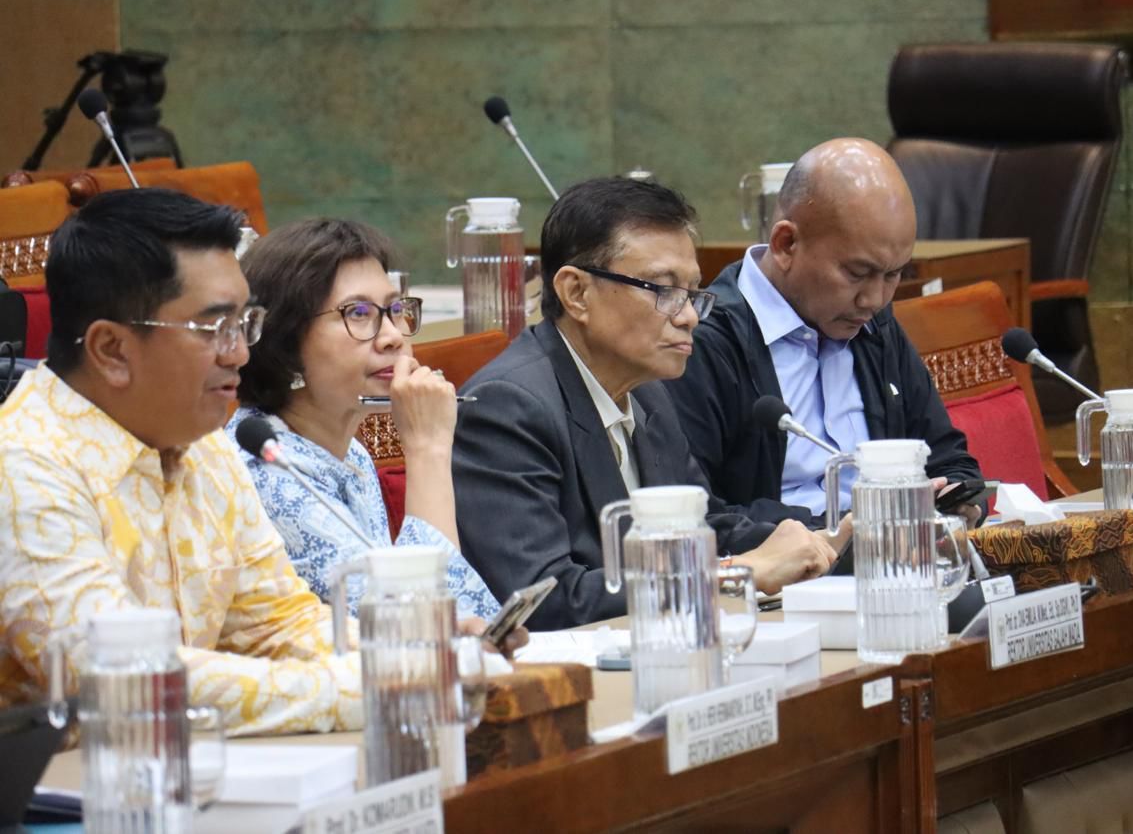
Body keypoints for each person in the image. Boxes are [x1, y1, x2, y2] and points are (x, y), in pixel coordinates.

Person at [0, 188, 360, 736]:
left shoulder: (207, 444)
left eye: (245, 323)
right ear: (111, 350)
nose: (239, 352)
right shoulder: (21, 467)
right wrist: (361, 690)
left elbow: (279, 624)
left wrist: (425, 658)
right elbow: (125, 683)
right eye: (213, 328)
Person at [452, 177, 842, 631]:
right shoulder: (506, 407)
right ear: (576, 292)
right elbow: (545, 598)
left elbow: (705, 524)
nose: (689, 315)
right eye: (663, 289)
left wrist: (824, 540)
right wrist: (741, 573)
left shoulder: (646, 389)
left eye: (693, 292)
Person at [665, 138, 984, 527]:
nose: (875, 299)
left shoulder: (876, 324)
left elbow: (947, 457)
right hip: (785, 577)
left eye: (894, 274)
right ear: (786, 244)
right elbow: (699, 512)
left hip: (894, 562)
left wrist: (963, 501)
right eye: (857, 273)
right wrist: (840, 530)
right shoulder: (704, 340)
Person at [229, 218, 502, 622]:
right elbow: (416, 624)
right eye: (358, 313)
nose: (393, 336)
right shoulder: (267, 468)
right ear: (284, 341)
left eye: (395, 310)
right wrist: (427, 449)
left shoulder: (349, 451)